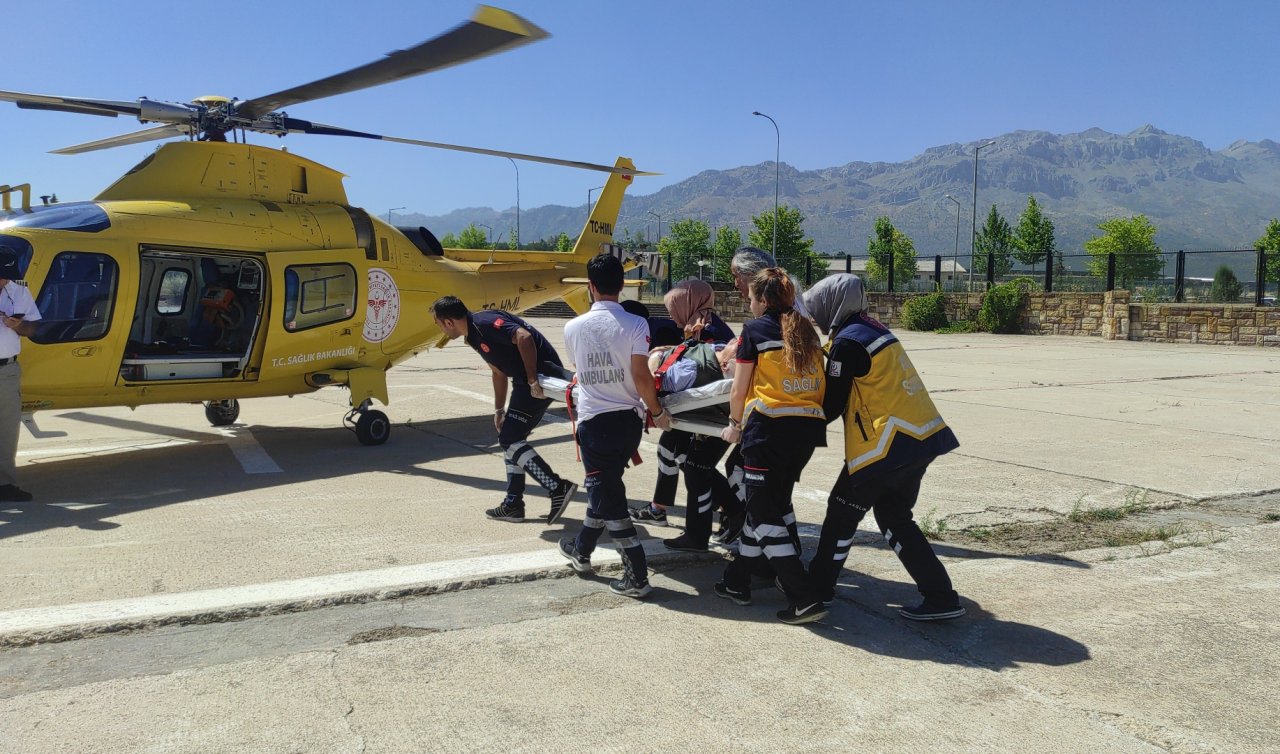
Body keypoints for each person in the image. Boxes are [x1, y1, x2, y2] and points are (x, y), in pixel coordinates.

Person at [803, 274, 964, 621]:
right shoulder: (873, 328)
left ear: (832, 303)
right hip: (920, 437)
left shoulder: (847, 343)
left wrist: (796, 426)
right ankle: (941, 596)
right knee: (893, 516)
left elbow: (831, 403)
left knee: (841, 514)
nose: (814, 314)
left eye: (816, 306)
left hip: (884, 444)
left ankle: (817, 591)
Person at [715, 268, 829, 624]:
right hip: (806, 431)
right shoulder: (806, 330)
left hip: (768, 430)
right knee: (766, 508)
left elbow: (739, 386)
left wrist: (734, 425)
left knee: (764, 514)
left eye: (750, 297)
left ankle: (803, 596)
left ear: (763, 300)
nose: (748, 303)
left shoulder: (756, 330)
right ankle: (737, 581)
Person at [558, 254, 671, 598]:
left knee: (608, 497)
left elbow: (580, 371)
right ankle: (581, 551)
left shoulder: (572, 328)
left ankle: (637, 575)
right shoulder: (636, 325)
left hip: (594, 424)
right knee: (605, 487)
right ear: (622, 286)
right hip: (627, 425)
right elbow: (640, 375)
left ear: (590, 287)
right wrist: (657, 411)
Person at [431, 296, 577, 524]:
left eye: (438, 323)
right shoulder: (473, 335)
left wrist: (531, 380)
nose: (439, 329)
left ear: (448, 322)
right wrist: (499, 410)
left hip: (538, 378)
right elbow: (497, 372)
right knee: (510, 436)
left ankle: (556, 487)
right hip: (524, 382)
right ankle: (513, 504)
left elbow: (524, 337)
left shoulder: (485, 323)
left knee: (510, 439)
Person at [630, 280, 743, 549]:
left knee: (693, 465)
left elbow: (704, 372)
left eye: (673, 309)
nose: (671, 316)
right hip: (707, 411)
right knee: (675, 454)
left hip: (714, 413)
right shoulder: (701, 323)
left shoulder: (708, 328)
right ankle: (672, 512)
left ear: (687, 303)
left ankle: (729, 514)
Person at [0, 246, 41, 502]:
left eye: (6, 276)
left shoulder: (20, 292)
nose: (3, 281)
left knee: (6, 429)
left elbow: (33, 329)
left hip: (7, 370)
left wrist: (19, 325)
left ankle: (4, 484)